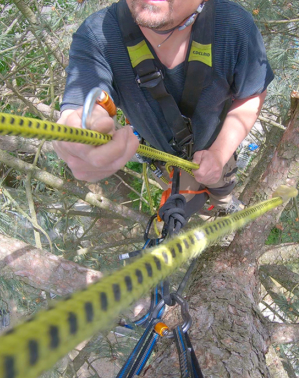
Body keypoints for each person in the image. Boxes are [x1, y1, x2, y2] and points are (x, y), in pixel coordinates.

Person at [54, 0, 273, 218]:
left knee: (221, 185)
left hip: (219, 147)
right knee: (180, 208)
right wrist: (78, 132)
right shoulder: (98, 36)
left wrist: (219, 154)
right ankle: (208, 212)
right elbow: (82, 104)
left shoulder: (233, 26)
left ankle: (224, 201)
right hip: (167, 163)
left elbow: (253, 93)